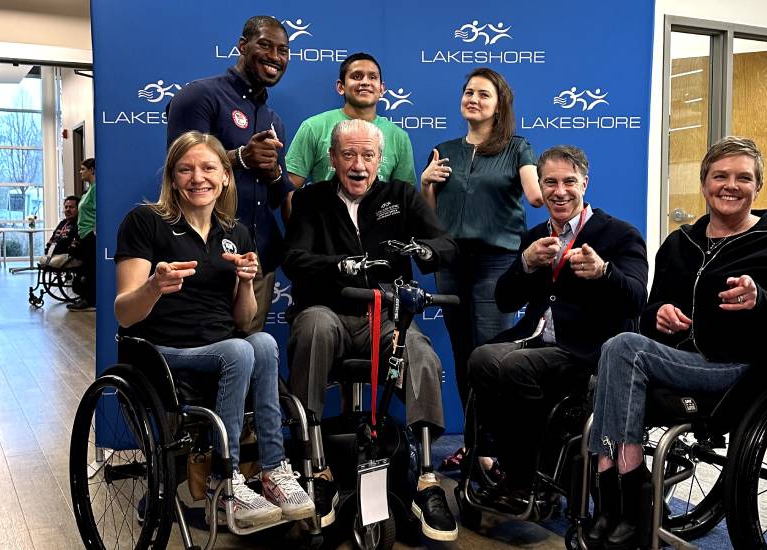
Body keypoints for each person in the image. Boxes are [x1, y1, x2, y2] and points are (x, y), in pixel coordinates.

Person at [585, 136, 767, 548]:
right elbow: (649, 313)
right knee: (619, 349)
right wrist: (658, 316)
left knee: (622, 347)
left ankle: (626, 485)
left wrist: (762, 302)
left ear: (757, 186)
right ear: (704, 182)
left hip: (741, 368)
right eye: (720, 176)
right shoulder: (679, 243)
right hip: (682, 358)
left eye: (743, 177)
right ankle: (613, 497)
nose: (731, 185)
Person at [113, 131, 313, 529]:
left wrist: (243, 282)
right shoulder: (146, 221)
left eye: (208, 168)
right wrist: (154, 286)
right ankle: (227, 483)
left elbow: (242, 320)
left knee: (263, 342)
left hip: (220, 348)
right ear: (172, 178)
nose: (197, 178)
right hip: (162, 352)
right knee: (239, 350)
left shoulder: (234, 232)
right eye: (185, 169)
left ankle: (273, 471)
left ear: (225, 176)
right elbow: (124, 313)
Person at [282, 119, 459, 541]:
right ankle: (317, 470)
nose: (358, 165)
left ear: (381, 159)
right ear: (332, 159)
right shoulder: (311, 199)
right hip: (330, 311)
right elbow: (294, 258)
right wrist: (338, 266)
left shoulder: (400, 195)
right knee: (313, 325)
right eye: (349, 155)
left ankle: (426, 481)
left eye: (367, 155)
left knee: (418, 348)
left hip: (387, 318)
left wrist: (424, 251)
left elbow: (446, 245)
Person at [466, 145, 648, 510]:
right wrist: (525, 264)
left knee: (516, 367)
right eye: (550, 182)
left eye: (568, 182)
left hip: (588, 350)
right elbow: (504, 300)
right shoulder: (535, 235)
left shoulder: (619, 234)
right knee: (481, 358)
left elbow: (636, 299)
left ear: (585, 183)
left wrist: (604, 273)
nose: (559, 191)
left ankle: (528, 478)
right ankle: (510, 465)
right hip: (535, 340)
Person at [419, 67, 543, 470]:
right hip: (452, 261)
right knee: (463, 355)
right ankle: (475, 446)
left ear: (498, 104)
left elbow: (535, 196)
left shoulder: (517, 148)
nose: (473, 99)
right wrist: (425, 185)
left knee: (491, 357)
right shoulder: (444, 150)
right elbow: (431, 221)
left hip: (498, 261)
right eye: (468, 92)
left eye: (483, 94)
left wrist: (557, 190)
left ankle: (495, 450)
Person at [166, 15, 292, 334]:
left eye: (283, 50)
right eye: (265, 45)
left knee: (250, 348)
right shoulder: (200, 96)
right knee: (206, 350)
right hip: (205, 254)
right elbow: (180, 169)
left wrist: (274, 171)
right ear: (242, 46)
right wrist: (241, 157)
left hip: (257, 257)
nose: (275, 56)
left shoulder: (273, 119)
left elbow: (279, 196)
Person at [285, 52, 416, 191]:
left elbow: (404, 197)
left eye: (372, 77)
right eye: (356, 77)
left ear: (382, 89)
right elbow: (290, 190)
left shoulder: (399, 137)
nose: (365, 82)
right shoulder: (314, 127)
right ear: (341, 87)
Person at [68, 159, 96, 311]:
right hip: (83, 235)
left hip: (90, 236)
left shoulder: (96, 189)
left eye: (83, 169)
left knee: (90, 270)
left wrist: (94, 231)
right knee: (85, 269)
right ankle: (85, 298)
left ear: (92, 170)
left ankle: (90, 301)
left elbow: (100, 212)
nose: (80, 172)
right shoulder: (89, 190)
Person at [39, 195, 80, 268]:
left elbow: (74, 246)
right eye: (66, 207)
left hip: (67, 255)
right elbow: (52, 239)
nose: (67, 209)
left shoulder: (79, 224)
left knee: (52, 262)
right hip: (54, 254)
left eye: (71, 207)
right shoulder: (62, 223)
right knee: (42, 259)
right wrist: (48, 249)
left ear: (78, 209)